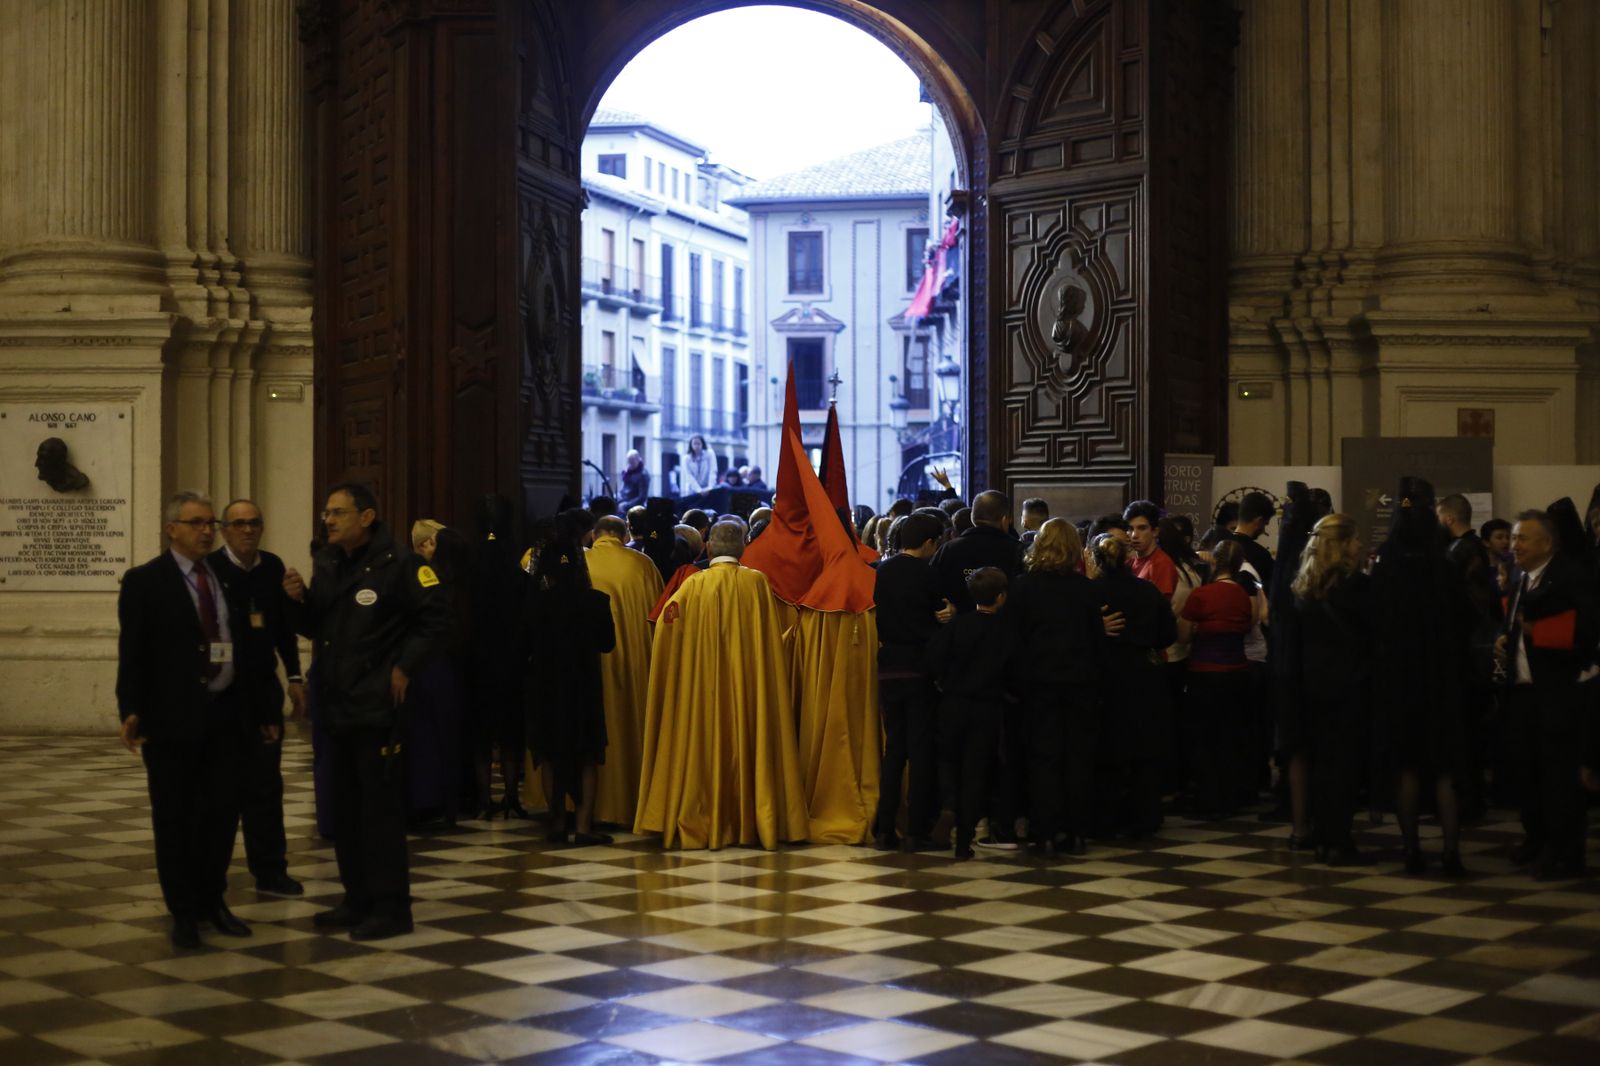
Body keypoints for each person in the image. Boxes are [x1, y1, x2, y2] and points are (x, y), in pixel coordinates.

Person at [283, 483, 452, 940]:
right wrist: (296, 601)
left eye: (338, 513)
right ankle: (355, 898)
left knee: (379, 813)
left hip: (377, 705)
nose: (328, 521)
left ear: (367, 517)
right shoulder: (329, 562)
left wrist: (403, 667)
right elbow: (317, 625)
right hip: (336, 704)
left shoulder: (401, 565)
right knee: (345, 809)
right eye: (326, 514)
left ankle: (392, 907)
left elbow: (434, 619)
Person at [118, 491, 256, 949]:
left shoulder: (222, 576)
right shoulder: (145, 581)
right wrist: (131, 708)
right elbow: (133, 651)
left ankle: (213, 899)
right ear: (171, 528)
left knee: (220, 815)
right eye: (195, 523)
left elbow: (242, 640)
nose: (205, 531)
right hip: (172, 720)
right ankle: (183, 910)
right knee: (176, 818)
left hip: (224, 716)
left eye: (209, 523)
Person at [635, 521, 810, 848]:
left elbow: (665, 629)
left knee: (703, 747)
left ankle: (702, 819)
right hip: (748, 692)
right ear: (743, 548)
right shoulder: (757, 584)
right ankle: (751, 819)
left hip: (702, 693)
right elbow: (772, 640)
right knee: (750, 743)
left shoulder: (692, 587)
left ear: (709, 548)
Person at [210, 499, 306, 897]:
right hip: (222, 697)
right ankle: (211, 876)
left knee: (265, 787)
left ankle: (271, 870)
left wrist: (296, 676)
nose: (248, 530)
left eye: (254, 523)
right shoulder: (210, 569)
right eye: (239, 524)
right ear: (224, 529)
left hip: (263, 695)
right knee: (219, 791)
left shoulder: (272, 567)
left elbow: (283, 628)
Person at [1499, 509, 1598, 880]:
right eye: (1513, 538)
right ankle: (1536, 838)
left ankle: (1565, 853)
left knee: (1559, 778)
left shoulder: (1571, 577)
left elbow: (1584, 633)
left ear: (1547, 543)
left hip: (1559, 692)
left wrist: (1534, 631)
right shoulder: (1519, 576)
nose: (1514, 545)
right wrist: (1506, 639)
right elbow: (1515, 625)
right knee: (1526, 772)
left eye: (1522, 538)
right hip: (1523, 691)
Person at [1007, 519, 1102, 854]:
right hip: (1079, 681)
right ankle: (1076, 832)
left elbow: (1014, 641)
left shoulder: (1022, 587)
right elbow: (1096, 639)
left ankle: (1044, 832)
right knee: (1077, 756)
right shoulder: (1086, 589)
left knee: (1042, 757)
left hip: (1037, 683)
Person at [1285, 513, 1372, 864]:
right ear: (1341, 544)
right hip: (1349, 688)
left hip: (1311, 688)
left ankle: (1321, 836)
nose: (1361, 544)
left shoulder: (1304, 588)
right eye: (1354, 540)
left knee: (1321, 765)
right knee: (1345, 769)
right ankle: (1339, 841)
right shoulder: (1358, 588)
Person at [524, 538, 617, 844]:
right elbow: (607, 644)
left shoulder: (537, 603)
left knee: (550, 754)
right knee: (588, 755)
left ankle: (556, 824)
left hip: (547, 686)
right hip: (584, 686)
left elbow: (526, 645)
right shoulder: (596, 600)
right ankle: (583, 827)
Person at [871, 513, 954, 851]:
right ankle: (917, 831)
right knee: (920, 753)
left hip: (888, 665)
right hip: (919, 668)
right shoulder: (929, 572)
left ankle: (884, 829)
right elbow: (939, 613)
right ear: (930, 543)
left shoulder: (882, 570)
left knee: (894, 751)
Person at [1089, 533, 1178, 839]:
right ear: (1128, 560)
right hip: (1143, 675)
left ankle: (1105, 818)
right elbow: (1168, 634)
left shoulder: (1090, 593)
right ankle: (1145, 817)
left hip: (1105, 676)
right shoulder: (1147, 591)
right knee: (1144, 748)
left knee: (1108, 748)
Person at [926, 568, 1014, 859]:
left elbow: (934, 659)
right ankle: (964, 842)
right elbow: (1015, 671)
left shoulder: (957, 626)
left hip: (952, 704)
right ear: (1001, 597)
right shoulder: (1005, 631)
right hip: (987, 707)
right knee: (975, 773)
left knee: (947, 760)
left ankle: (948, 804)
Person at [586, 515, 664, 826]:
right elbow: (658, 618)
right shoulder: (642, 565)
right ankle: (631, 797)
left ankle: (578, 808)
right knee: (628, 726)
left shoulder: (580, 562)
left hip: (587, 664)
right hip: (632, 664)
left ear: (594, 535)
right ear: (625, 534)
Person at [1179, 541, 1257, 819]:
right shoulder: (1244, 595)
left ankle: (1207, 797)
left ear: (1214, 562)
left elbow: (1184, 635)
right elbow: (1249, 626)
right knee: (1230, 736)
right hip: (1237, 672)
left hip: (1204, 673)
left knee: (1205, 738)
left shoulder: (1202, 595)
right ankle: (1230, 795)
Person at [406, 525, 468, 827]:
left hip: (429, 665)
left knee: (428, 736)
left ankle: (428, 800)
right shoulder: (456, 582)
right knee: (440, 737)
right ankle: (444, 800)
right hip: (442, 666)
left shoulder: (433, 581)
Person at [930, 490, 1023, 612]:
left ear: (972, 517)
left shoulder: (949, 549)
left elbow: (931, 587)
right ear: (1005, 519)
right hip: (1008, 626)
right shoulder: (1018, 550)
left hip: (959, 625)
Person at [1125, 500, 1177, 598]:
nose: (1134, 535)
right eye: (1131, 529)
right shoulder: (1129, 562)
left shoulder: (1161, 564)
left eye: (1142, 528)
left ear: (1155, 532)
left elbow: (1159, 607)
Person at [1226, 492, 1276, 589]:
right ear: (1259, 521)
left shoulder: (1219, 547)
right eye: (1265, 524)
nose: (1264, 530)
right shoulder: (1261, 556)